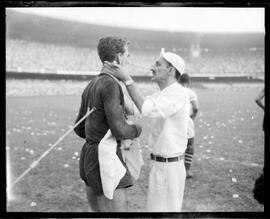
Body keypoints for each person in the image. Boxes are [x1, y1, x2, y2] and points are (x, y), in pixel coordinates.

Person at [104, 48, 190, 212]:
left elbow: (145, 108)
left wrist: (127, 79)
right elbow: (134, 109)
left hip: (169, 168)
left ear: (171, 70)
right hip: (161, 166)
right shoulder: (163, 93)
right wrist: (117, 83)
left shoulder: (177, 93)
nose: (152, 67)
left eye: (158, 64)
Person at [74, 36, 142, 212]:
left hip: (89, 154)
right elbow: (119, 130)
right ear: (118, 57)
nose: (129, 59)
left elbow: (79, 128)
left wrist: (95, 135)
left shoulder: (91, 84)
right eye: (127, 55)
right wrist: (137, 129)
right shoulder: (111, 84)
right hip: (105, 155)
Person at [179, 73, 199, 179]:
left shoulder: (174, 91)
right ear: (188, 82)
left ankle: (176, 172)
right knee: (189, 145)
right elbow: (195, 107)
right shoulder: (190, 92)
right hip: (186, 121)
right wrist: (193, 116)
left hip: (174, 122)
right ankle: (186, 171)